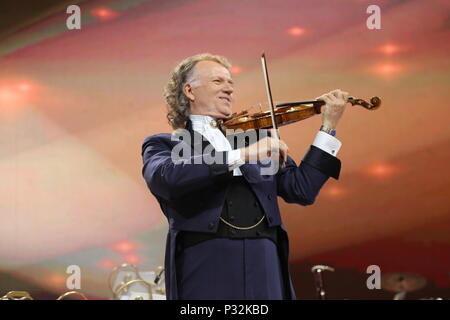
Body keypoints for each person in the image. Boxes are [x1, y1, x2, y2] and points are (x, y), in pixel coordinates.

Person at [141, 53, 348, 300]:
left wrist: (327, 128)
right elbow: (166, 179)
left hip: (265, 260)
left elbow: (301, 189)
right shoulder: (165, 143)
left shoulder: (257, 137)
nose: (229, 89)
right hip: (207, 261)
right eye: (218, 81)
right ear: (189, 90)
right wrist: (242, 154)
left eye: (230, 83)